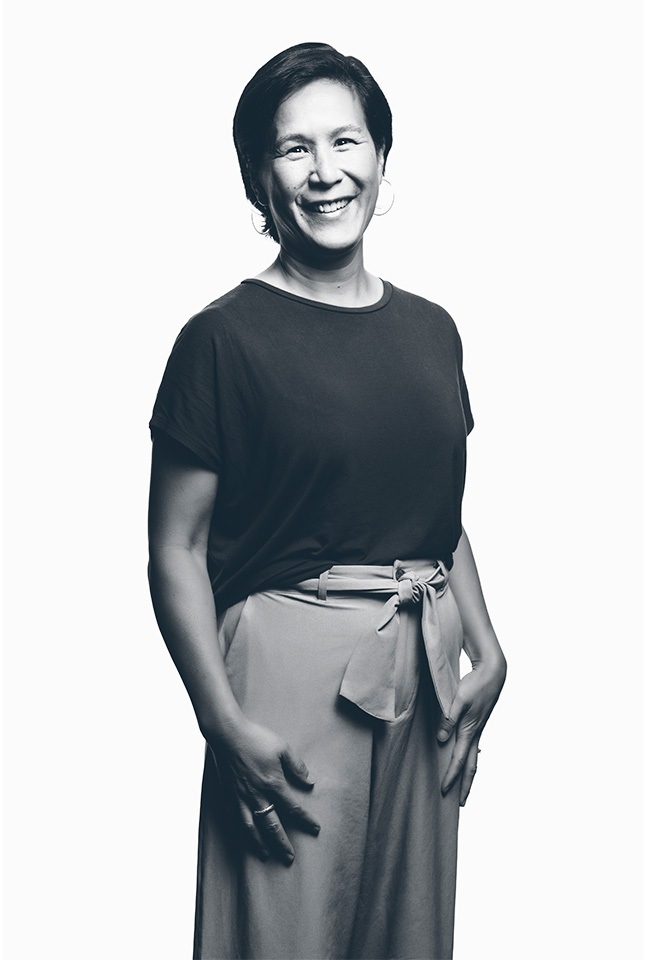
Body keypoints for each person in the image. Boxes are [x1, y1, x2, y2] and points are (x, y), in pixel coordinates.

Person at [148, 41, 507, 960]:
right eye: (293, 148)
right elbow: (176, 548)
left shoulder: (432, 331)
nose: (324, 171)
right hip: (290, 672)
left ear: (380, 157)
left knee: (409, 942)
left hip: (423, 666)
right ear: (258, 180)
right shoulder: (222, 339)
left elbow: (431, 506)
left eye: (345, 141)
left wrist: (487, 646)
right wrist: (222, 722)